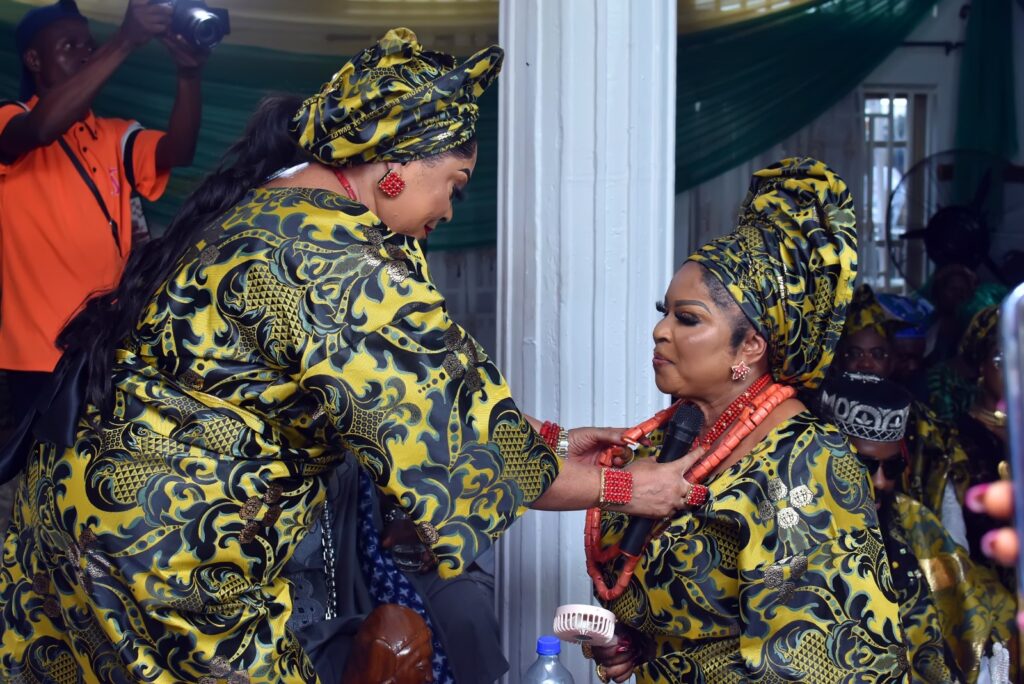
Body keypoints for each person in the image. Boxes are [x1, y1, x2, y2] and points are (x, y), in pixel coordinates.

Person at [0, 28, 700, 682]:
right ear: (394, 165)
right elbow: (463, 447)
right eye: (453, 184)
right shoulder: (339, 265)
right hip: (169, 551)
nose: (451, 210)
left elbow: (408, 409)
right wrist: (630, 487)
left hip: (66, 525)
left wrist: (552, 443)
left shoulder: (259, 212)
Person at [588, 158, 906, 683]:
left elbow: (822, 662)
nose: (660, 332)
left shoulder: (807, 459)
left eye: (687, 318)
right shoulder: (679, 431)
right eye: (663, 311)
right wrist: (636, 640)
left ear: (752, 345)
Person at [0, 0, 205, 421]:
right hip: (39, 352)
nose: (85, 52)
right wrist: (126, 40)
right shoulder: (11, 118)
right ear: (34, 59)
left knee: (96, 470)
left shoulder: (113, 133)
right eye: (69, 44)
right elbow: (41, 128)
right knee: (44, 477)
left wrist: (188, 74)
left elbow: (179, 149)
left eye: (89, 45)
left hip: (106, 343)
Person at [821, 372, 1015, 684]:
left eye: (892, 467)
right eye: (864, 466)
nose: (881, 482)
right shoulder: (798, 525)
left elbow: (968, 603)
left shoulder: (914, 521)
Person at [836, 284, 971, 529]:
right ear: (838, 358)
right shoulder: (819, 417)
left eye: (878, 354)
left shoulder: (925, 425)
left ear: (892, 361)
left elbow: (950, 519)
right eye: (854, 354)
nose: (866, 364)